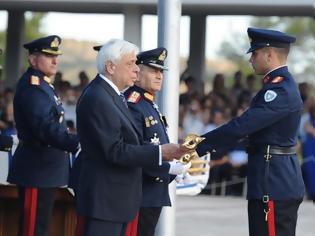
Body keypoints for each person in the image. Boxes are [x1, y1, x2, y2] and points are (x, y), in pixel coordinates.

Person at [194, 27, 304, 236]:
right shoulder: (275, 86)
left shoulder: (279, 90)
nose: (251, 59)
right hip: (271, 180)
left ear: (269, 55)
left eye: (255, 53)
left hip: (274, 183)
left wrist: (197, 146)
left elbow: (242, 126)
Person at [72, 39, 185, 236]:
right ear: (110, 67)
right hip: (105, 198)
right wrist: (160, 153)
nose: (136, 70)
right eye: (130, 63)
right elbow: (115, 150)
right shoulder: (99, 97)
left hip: (115, 198)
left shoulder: (111, 95)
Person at [7, 35, 80, 236]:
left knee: (40, 227)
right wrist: (79, 143)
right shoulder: (33, 87)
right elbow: (46, 128)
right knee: (33, 229)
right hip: (36, 170)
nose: (55, 60)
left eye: (56, 56)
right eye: (48, 56)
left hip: (45, 170)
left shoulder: (43, 85)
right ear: (32, 59)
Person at [124, 47, 190, 236]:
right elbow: (135, 150)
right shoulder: (133, 104)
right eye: (153, 70)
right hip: (141, 191)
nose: (159, 75)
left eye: (161, 71)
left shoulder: (148, 103)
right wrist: (167, 168)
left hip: (153, 190)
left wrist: (173, 165)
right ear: (137, 72)